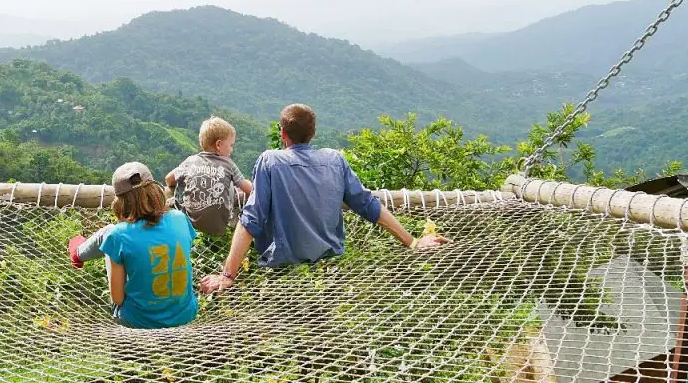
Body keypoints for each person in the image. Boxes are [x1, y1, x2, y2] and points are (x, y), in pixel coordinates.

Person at [200, 104, 447, 294]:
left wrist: (228, 276)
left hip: (281, 271)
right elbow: (367, 205)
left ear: (282, 133)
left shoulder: (270, 161)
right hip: (330, 268)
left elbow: (251, 220)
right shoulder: (334, 160)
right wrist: (412, 242)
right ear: (313, 133)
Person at [68, 161, 199, 329]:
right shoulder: (180, 218)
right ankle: (78, 252)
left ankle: (78, 253)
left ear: (120, 202)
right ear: (155, 191)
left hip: (138, 321)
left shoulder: (119, 235)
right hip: (184, 314)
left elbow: (118, 299)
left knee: (110, 233)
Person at [164, 116, 253, 236]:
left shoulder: (191, 161)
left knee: (176, 186)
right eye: (231, 145)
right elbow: (249, 190)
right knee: (234, 185)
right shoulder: (229, 164)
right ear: (218, 145)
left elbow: (168, 179)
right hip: (219, 227)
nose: (232, 149)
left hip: (188, 223)